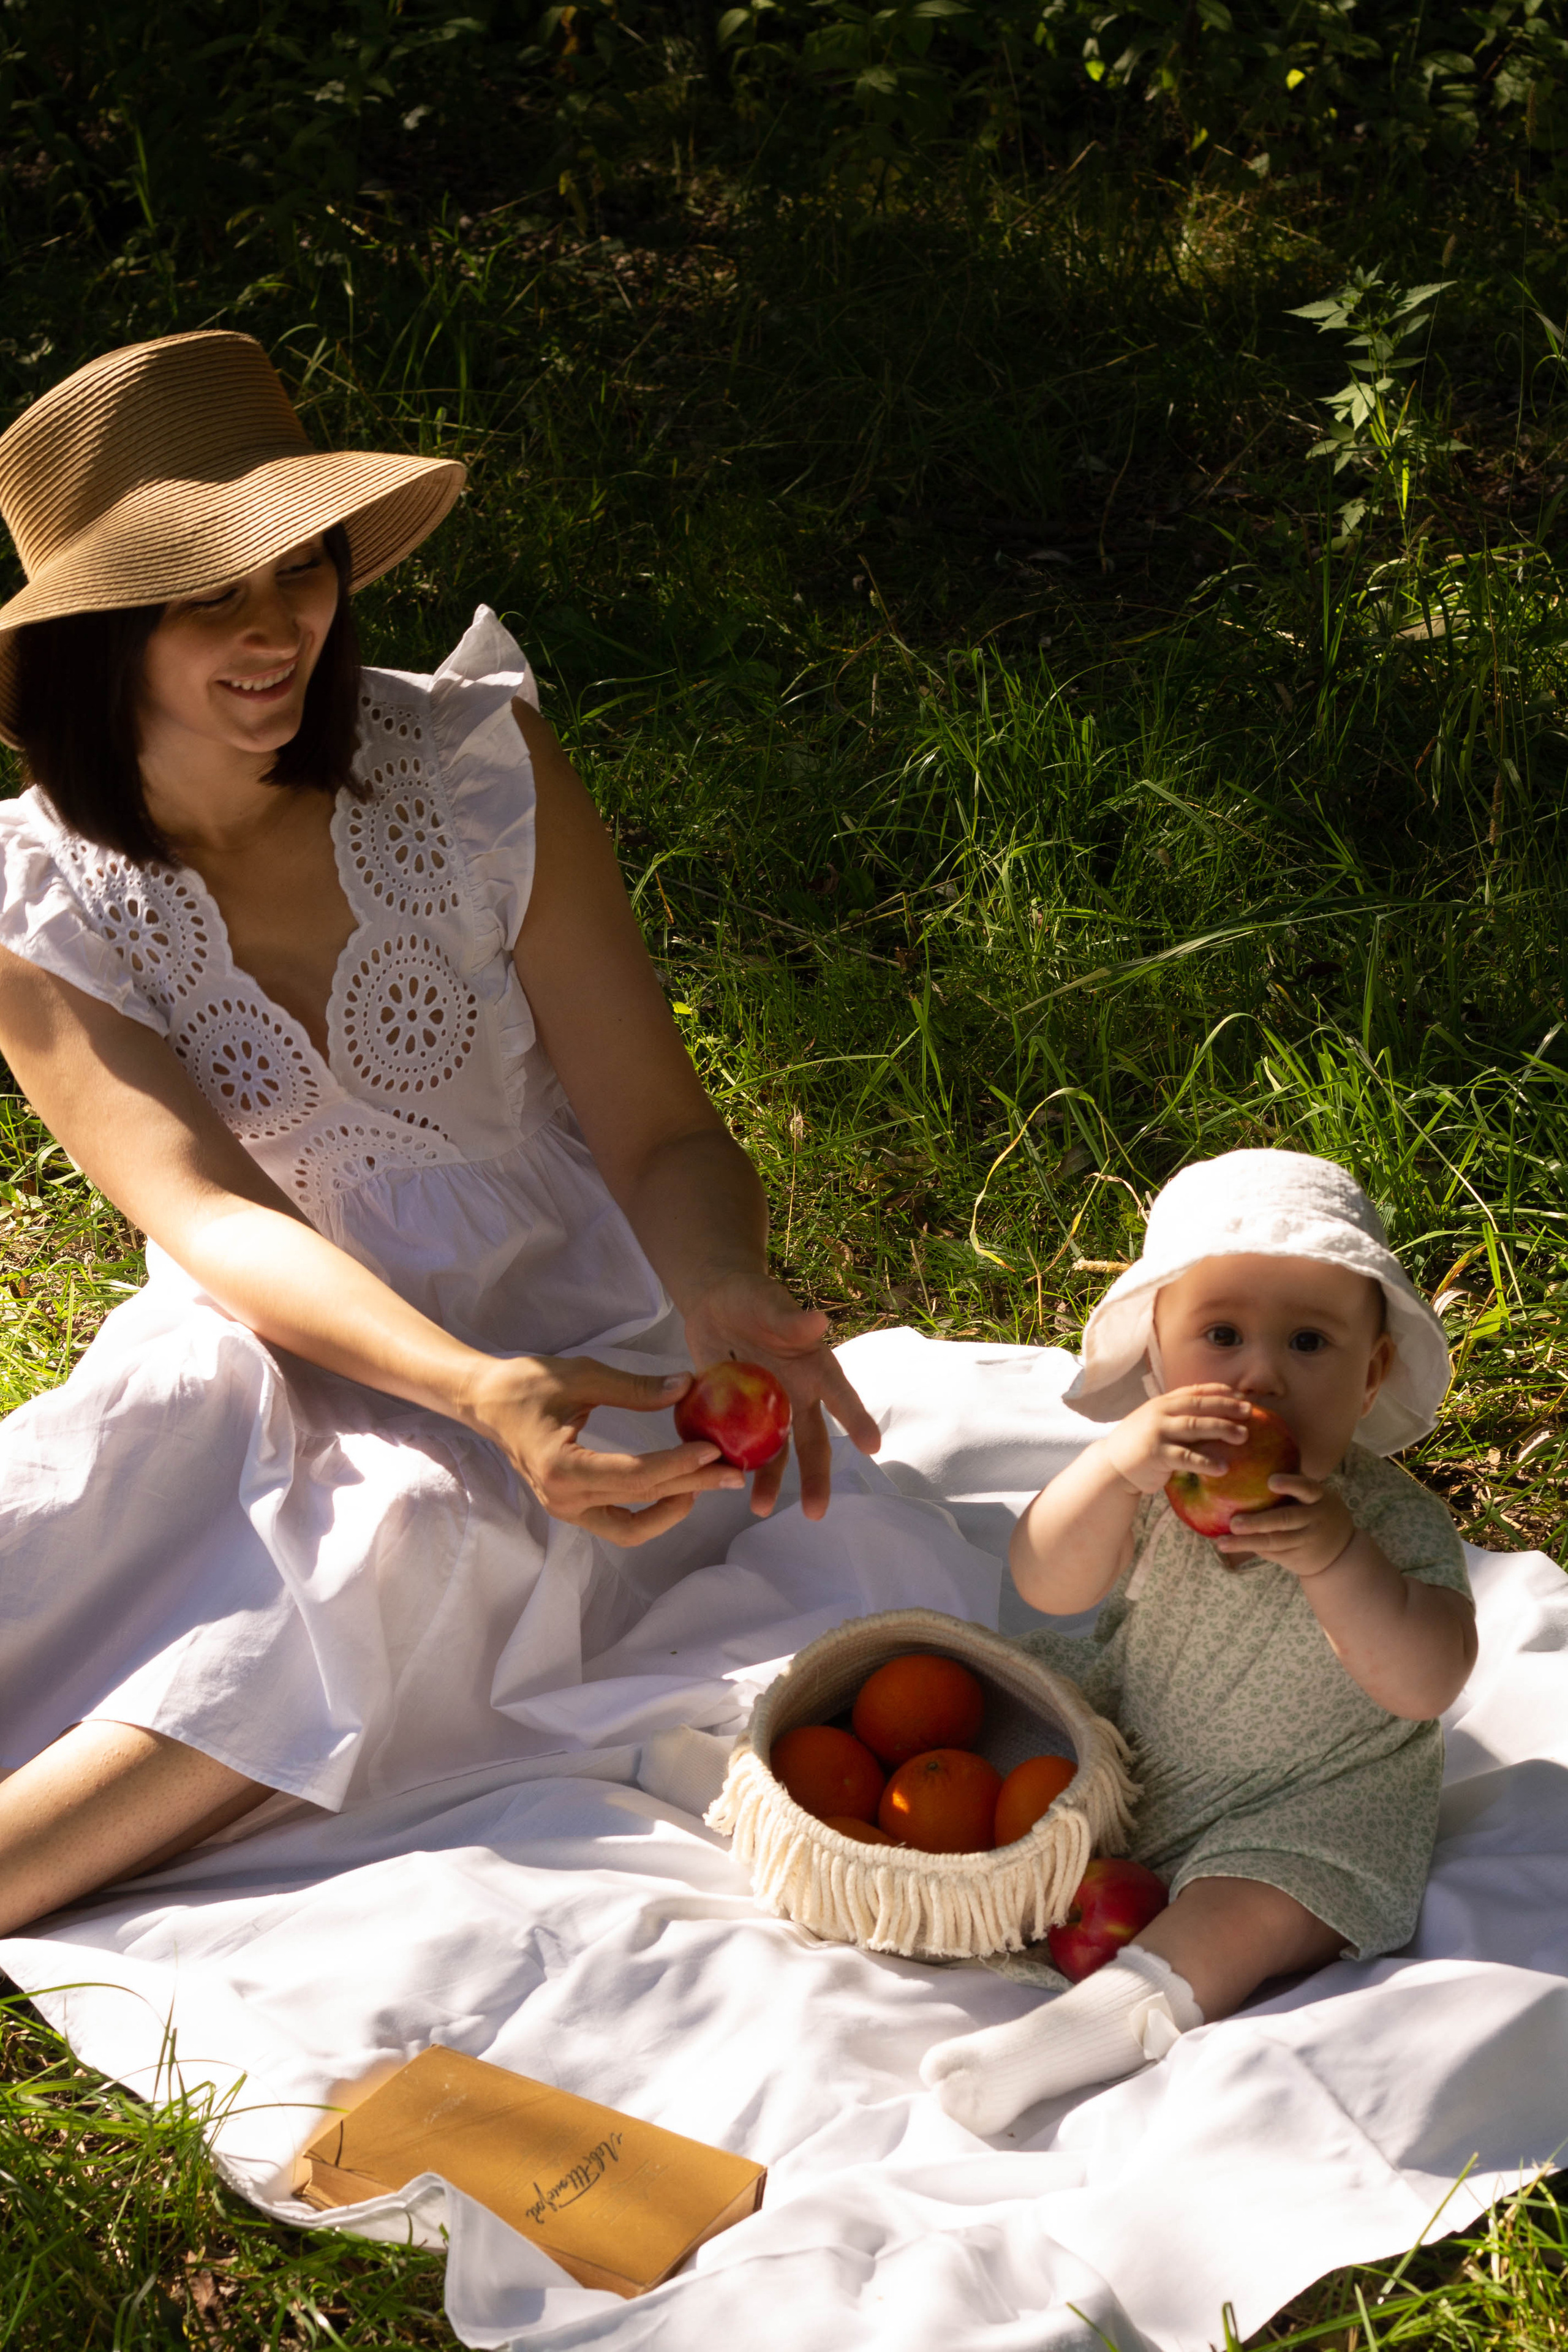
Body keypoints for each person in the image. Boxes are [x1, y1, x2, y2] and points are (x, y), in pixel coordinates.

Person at [0, 330, 880, 1936]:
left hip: (573, 1322)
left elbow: (659, 1130)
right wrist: (468, 1388)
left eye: (303, 569)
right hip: (275, 1322)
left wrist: (716, 1285)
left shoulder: (470, 769)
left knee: (397, 1541)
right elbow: (207, 1214)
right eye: (207, 596)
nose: (278, 626)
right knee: (75, 1517)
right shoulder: (41, 898)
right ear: (97, 633)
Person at [922, 1148, 1476, 2134]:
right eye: (1222, 1335)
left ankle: (1085, 2032)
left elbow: (1427, 1682)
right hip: (1137, 1743)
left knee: (1254, 1912)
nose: (1261, 1374)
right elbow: (1043, 1581)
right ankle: (782, 1792)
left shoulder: (1389, 1526)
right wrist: (1110, 1469)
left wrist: (1338, 1560)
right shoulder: (1153, 1483)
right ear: (1158, 1360)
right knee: (959, 1716)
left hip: (1308, 1802)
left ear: (1370, 1376)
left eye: (1310, 1342)